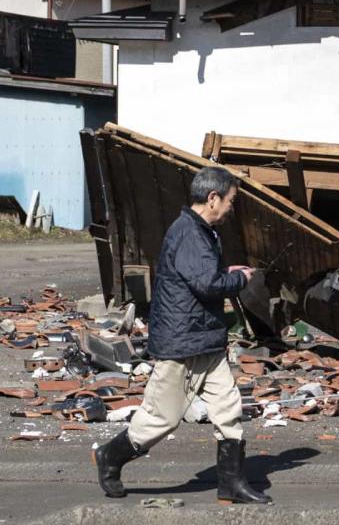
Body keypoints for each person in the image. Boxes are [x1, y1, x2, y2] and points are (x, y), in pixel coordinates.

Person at [92, 166, 270, 504]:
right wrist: (241, 280)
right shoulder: (189, 232)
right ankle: (109, 457)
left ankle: (231, 484)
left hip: (205, 339)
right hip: (182, 342)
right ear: (213, 198)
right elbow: (207, 285)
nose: (232, 208)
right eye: (230, 201)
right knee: (162, 419)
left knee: (228, 408)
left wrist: (226, 272)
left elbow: (201, 276)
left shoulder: (202, 230)